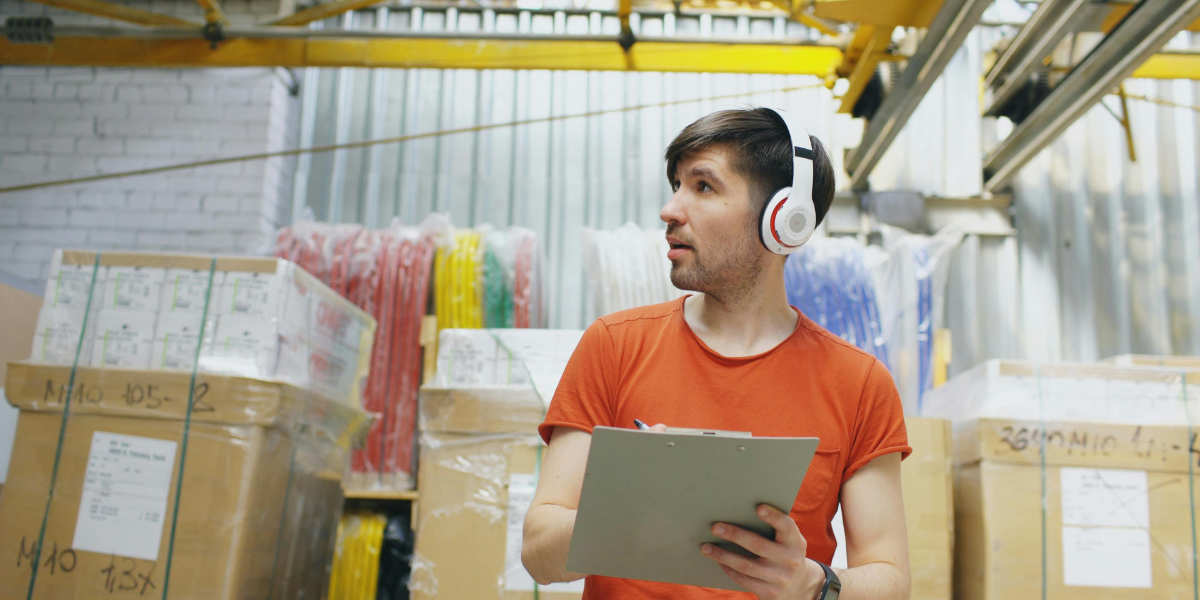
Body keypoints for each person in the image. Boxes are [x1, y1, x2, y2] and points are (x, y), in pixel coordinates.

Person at [521, 107, 911, 600]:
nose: (670, 209)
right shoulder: (614, 345)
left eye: (703, 187)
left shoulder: (859, 383)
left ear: (783, 219)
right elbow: (538, 552)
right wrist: (625, 504)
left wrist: (812, 583)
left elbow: (891, 580)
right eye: (676, 185)